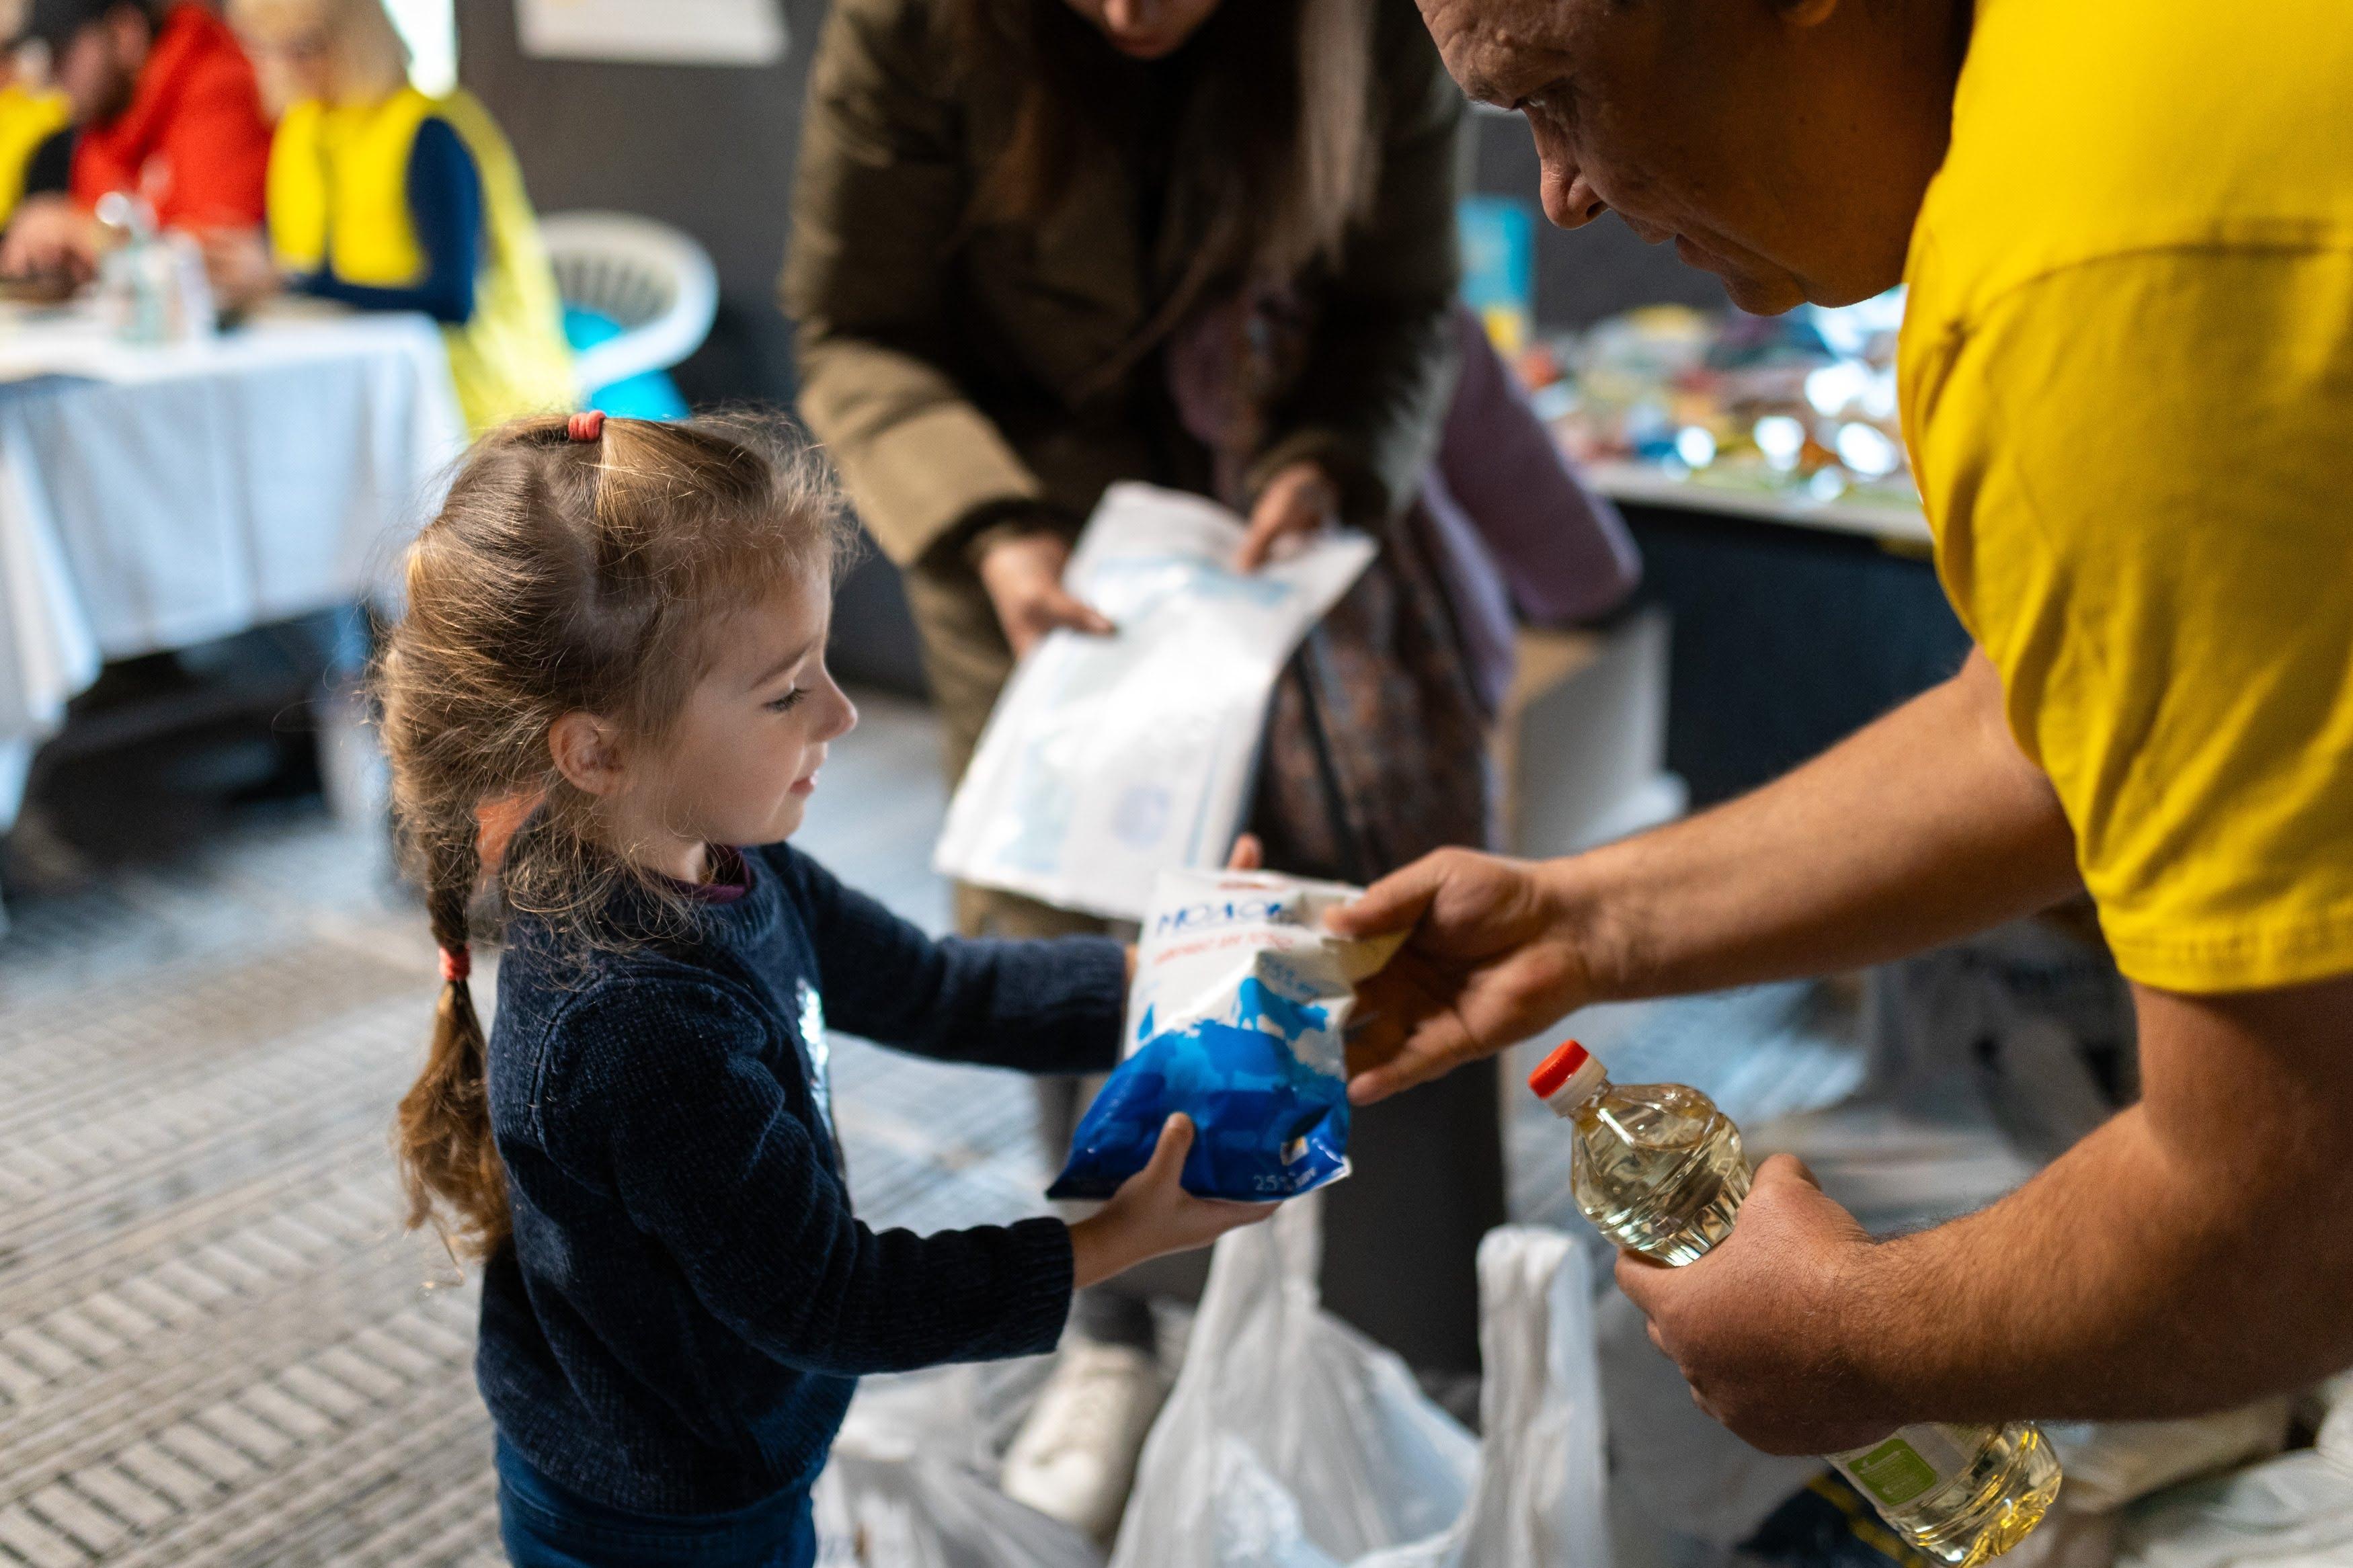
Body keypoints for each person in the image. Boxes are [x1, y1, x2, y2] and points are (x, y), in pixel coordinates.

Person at [1330, 0, 2353, 1456]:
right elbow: (2053, 724)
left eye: (1557, 93)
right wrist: (1578, 923)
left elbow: (2294, 1205)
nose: (1559, 195)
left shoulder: (2081, 284)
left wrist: (1845, 1335)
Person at [783, 0, 1634, 1529]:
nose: (1127, 15)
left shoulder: (1377, 23)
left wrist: (1330, 460)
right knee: (1056, 926)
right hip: (1027, 534)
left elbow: (1400, 302)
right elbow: (857, 324)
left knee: (1359, 913)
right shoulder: (913, 25)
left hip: (1279, 510)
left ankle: (1402, 1337)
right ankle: (1111, 1329)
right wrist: (985, 526)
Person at [374, 410, 1271, 1568]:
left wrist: (1165, 970)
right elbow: (835, 1299)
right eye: (785, 690)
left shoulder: (727, 859)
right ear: (595, 751)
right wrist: (1113, 1240)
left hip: (723, 1423)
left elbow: (937, 989)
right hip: (666, 1506)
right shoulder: (636, 1028)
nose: (842, 715)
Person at [204, 0, 573, 432]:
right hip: (354, 389)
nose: (288, 67)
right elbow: (295, 252)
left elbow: (453, 299)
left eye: (304, 48)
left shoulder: (430, 132)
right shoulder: (304, 128)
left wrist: (296, 282)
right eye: (272, 50)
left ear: (351, 43)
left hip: (469, 398)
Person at [0, 0, 268, 280]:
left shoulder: (217, 88)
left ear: (124, 33)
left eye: (61, 52)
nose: (52, 78)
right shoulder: (104, 120)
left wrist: (90, 235)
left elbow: (224, 260)